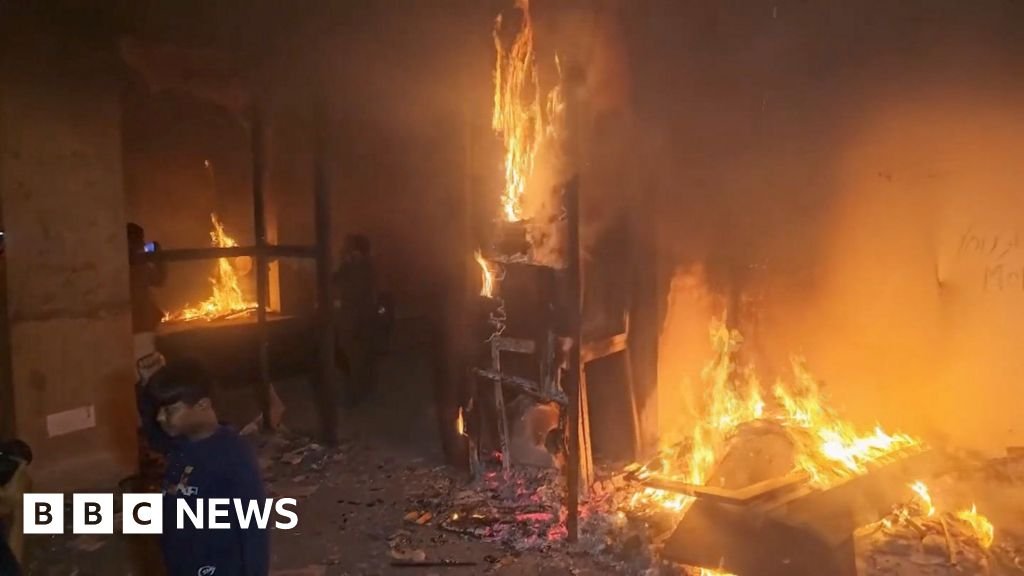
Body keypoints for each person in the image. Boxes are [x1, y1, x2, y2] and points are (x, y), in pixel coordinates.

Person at [149, 359, 269, 576]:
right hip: (181, 562)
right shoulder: (180, 445)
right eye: (159, 409)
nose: (160, 417)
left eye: (169, 410)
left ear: (202, 405)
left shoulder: (232, 455)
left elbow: (253, 524)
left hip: (219, 566)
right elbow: (153, 436)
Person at [332, 234, 377, 405]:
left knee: (356, 355)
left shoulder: (361, 267)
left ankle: (356, 392)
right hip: (356, 318)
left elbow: (348, 288)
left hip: (356, 318)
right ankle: (360, 390)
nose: (344, 249)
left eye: (348, 246)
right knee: (357, 355)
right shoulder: (356, 265)